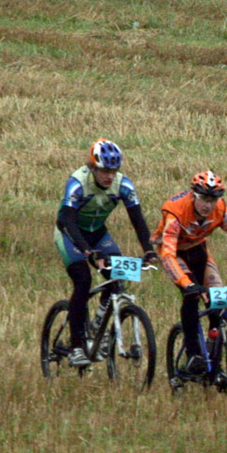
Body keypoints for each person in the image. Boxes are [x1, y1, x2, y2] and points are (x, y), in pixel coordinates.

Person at [55, 139, 158, 368]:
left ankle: (98, 324)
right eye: (104, 171)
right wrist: (87, 251)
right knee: (83, 281)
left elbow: (138, 220)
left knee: (118, 277)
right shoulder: (78, 182)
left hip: (97, 233)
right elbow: (68, 221)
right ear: (93, 168)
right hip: (70, 234)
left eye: (113, 171)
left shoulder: (124, 185)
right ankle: (76, 347)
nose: (110, 176)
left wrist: (149, 251)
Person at [155, 170, 227, 375]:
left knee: (218, 301)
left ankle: (214, 355)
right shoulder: (176, 212)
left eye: (213, 200)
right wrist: (187, 284)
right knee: (191, 298)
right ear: (194, 196)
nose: (208, 205)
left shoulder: (221, 210)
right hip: (175, 254)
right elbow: (168, 254)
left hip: (199, 251)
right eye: (204, 199)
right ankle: (193, 354)